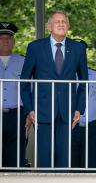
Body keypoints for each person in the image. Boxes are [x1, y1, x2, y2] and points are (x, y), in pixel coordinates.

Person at [20, 10, 88, 169]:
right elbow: (24, 82)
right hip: (42, 111)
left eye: (64, 22)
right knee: (44, 160)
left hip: (68, 112)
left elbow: (84, 82)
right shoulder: (35, 47)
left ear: (68, 26)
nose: (61, 24)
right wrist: (29, 109)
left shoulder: (78, 48)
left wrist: (79, 108)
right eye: (57, 22)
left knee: (65, 161)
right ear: (49, 26)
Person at [70, 39, 96, 170]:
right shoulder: (63, 74)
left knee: (90, 165)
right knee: (71, 164)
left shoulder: (95, 75)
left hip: (90, 126)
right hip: (70, 126)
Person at [0, 22, 26, 169]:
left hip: (17, 114)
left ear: (14, 41)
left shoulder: (24, 62)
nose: (5, 41)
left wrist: (29, 113)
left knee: (15, 158)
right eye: (1, 38)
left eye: (8, 38)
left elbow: (31, 89)